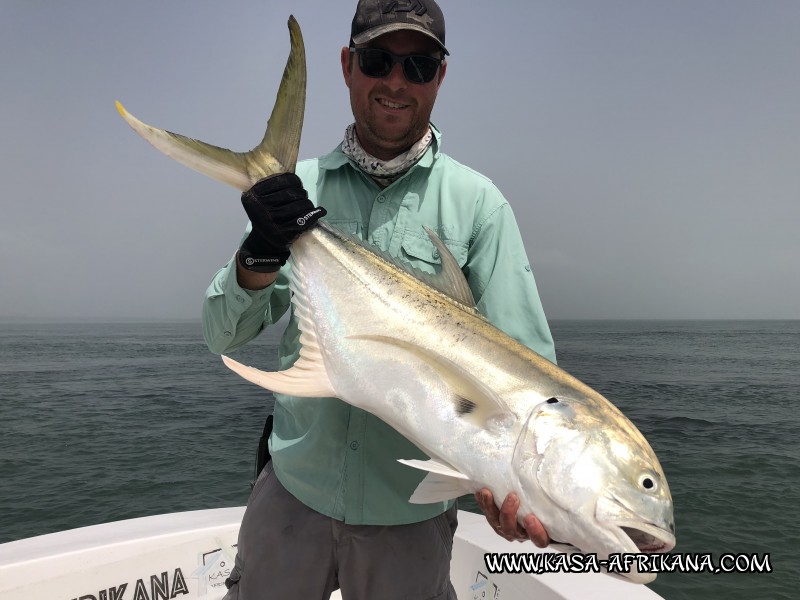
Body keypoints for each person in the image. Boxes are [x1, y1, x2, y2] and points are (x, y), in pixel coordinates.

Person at [202, 1, 556, 598]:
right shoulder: (297, 190)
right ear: (347, 65)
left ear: (441, 76)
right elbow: (221, 334)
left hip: (409, 518)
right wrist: (263, 250)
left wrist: (517, 486)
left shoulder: (478, 205)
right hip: (295, 491)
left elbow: (525, 381)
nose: (396, 81)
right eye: (378, 60)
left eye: (418, 66)